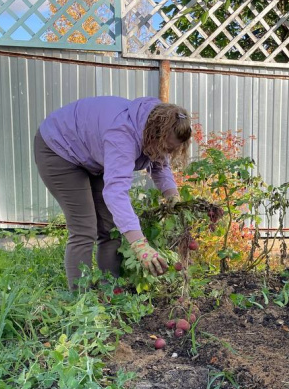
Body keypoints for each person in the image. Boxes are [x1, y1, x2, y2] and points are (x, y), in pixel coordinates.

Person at [33, 96, 191, 291]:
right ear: (154, 135)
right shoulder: (122, 134)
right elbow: (116, 193)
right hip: (59, 149)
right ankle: (80, 301)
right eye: (166, 148)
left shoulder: (155, 128)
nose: (166, 153)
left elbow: (159, 163)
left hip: (92, 153)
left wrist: (172, 195)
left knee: (111, 229)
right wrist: (139, 244)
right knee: (84, 228)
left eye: (172, 150)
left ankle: (111, 292)